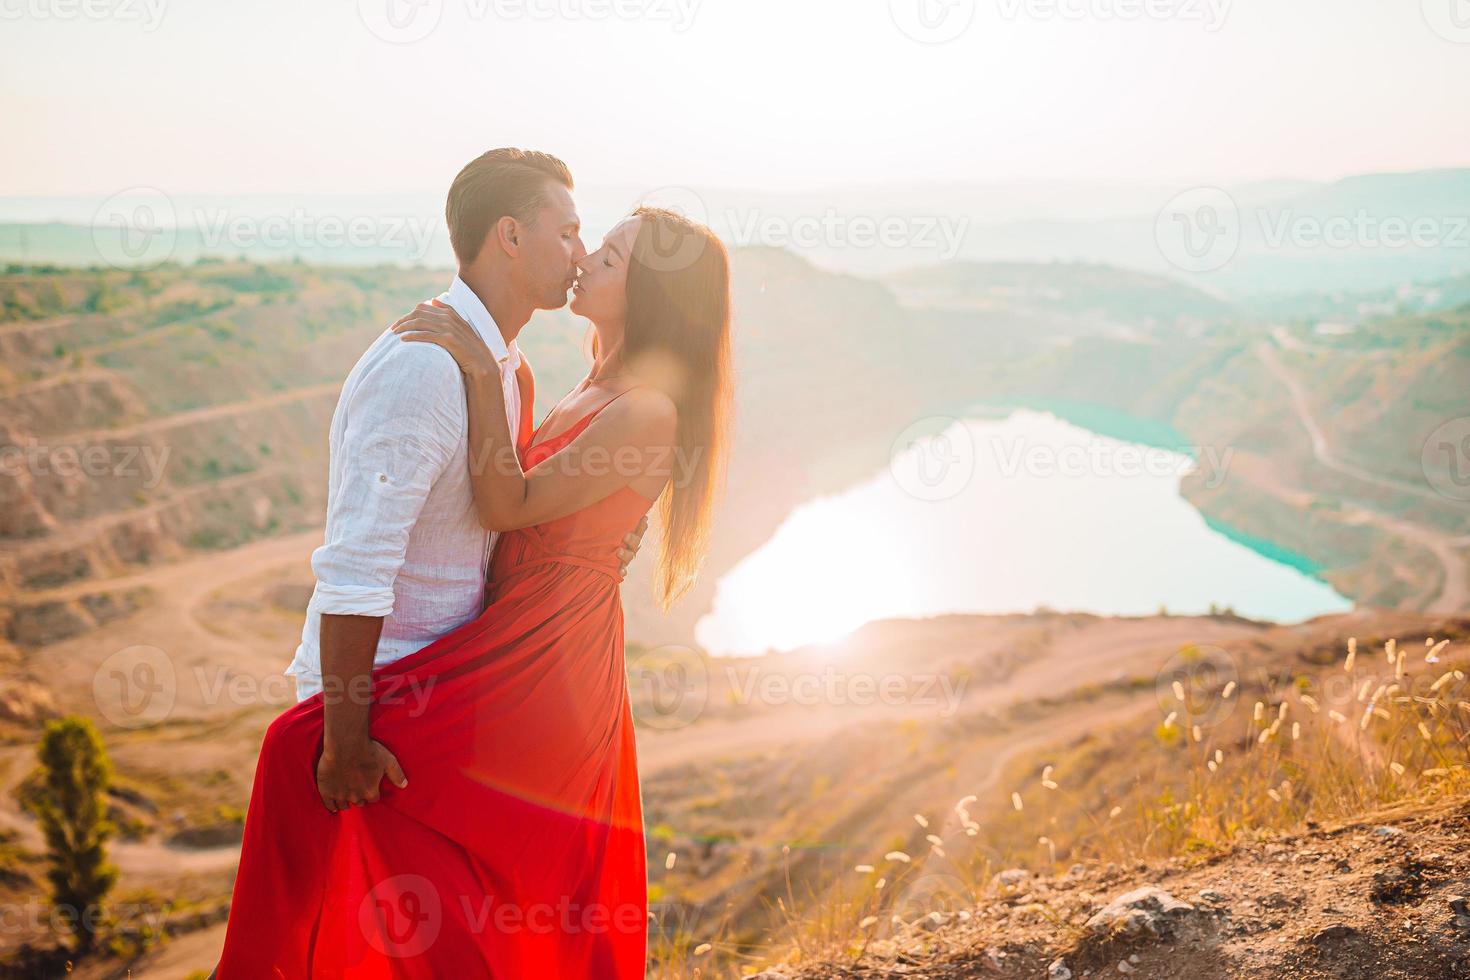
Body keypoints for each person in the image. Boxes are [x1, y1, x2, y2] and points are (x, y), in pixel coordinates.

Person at [211, 146, 733, 977]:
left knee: (430, 829)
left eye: (604, 253)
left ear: (650, 291)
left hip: (547, 658)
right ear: (510, 237)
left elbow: (510, 504)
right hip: (506, 642)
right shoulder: (555, 382)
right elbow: (498, 507)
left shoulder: (610, 399)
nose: (583, 258)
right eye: (578, 239)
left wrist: (486, 375)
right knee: (428, 852)